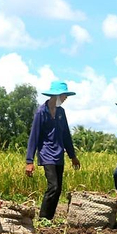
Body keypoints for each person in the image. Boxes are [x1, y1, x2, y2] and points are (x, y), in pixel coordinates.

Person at [25, 81, 80, 220]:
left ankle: (49, 218)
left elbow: (66, 135)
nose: (66, 98)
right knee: (53, 186)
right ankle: (43, 218)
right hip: (46, 153)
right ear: (56, 96)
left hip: (59, 154)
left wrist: (72, 156)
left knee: (58, 189)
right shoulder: (41, 112)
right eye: (64, 96)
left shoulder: (61, 112)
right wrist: (29, 161)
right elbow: (34, 136)